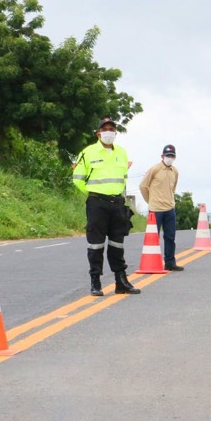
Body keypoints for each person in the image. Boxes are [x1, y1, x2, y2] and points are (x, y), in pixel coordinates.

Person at [72, 118, 141, 296]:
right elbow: (77, 179)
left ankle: (121, 281)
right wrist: (93, 193)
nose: (109, 132)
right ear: (98, 133)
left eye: (112, 129)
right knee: (95, 245)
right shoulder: (87, 152)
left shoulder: (122, 153)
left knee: (117, 243)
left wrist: (116, 194)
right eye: (105, 129)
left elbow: (123, 177)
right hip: (97, 203)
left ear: (115, 133)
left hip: (117, 203)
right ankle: (95, 282)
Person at [139, 144, 184, 271]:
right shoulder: (155, 169)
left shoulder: (174, 171)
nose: (169, 158)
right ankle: (152, 263)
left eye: (172, 156)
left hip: (170, 208)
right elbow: (143, 186)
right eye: (167, 155)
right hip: (155, 209)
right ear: (162, 156)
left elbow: (173, 188)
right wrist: (150, 201)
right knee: (153, 238)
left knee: (170, 237)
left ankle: (170, 262)